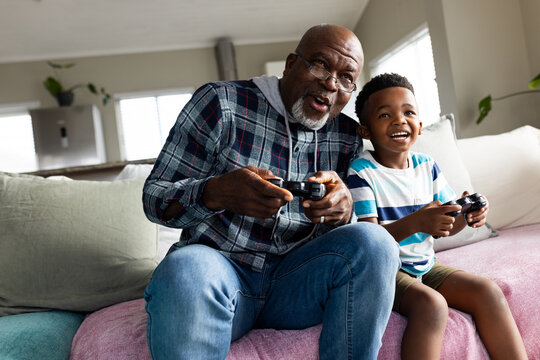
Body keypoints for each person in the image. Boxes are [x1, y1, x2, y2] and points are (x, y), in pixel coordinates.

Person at [142, 24, 401, 360]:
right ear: (291, 64)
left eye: (346, 77)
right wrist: (216, 192)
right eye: (320, 65)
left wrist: (343, 209)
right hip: (220, 273)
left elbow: (348, 233)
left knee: (375, 242)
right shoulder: (221, 102)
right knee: (184, 269)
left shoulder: (347, 134)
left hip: (298, 284)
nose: (331, 84)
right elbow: (155, 199)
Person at [348, 73, 528, 360]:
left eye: (408, 112)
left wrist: (468, 215)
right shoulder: (361, 172)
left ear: (419, 124)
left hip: (425, 264)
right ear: (366, 131)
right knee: (432, 305)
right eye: (385, 114)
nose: (399, 120)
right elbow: (369, 243)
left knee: (488, 292)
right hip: (385, 272)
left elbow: (445, 224)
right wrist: (417, 222)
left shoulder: (426, 165)